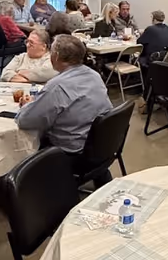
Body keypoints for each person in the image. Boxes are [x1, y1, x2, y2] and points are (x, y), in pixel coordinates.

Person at [15, 34, 112, 171]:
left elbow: (25, 121)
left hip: (72, 153)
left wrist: (27, 106)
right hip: (102, 145)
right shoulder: (94, 75)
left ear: (56, 56)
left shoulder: (57, 86)